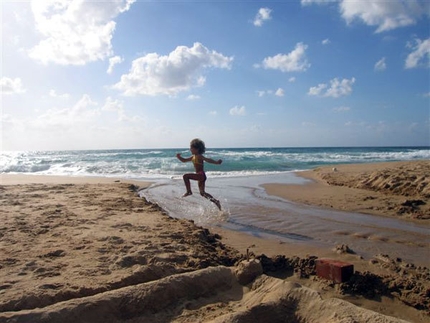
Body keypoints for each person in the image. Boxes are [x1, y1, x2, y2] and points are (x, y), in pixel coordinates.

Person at [176, 138, 222, 210]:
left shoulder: (199, 156)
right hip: (200, 176)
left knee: (185, 176)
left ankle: (189, 191)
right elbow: (184, 160)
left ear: (197, 149)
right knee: (202, 193)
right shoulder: (193, 157)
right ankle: (216, 201)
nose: (190, 149)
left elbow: (208, 160)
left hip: (201, 175)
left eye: (191, 148)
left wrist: (216, 162)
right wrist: (179, 157)